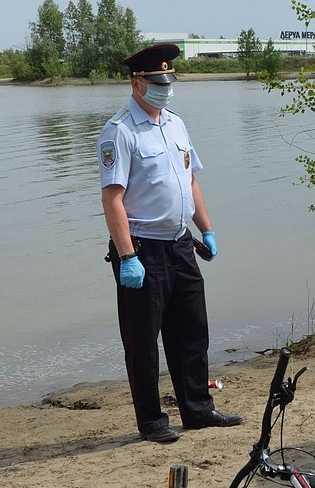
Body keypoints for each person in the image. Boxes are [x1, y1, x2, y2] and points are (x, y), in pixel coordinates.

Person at [97, 43, 242, 443]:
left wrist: (207, 229)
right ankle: (152, 421)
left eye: (169, 81)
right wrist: (127, 256)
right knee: (143, 342)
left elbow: (190, 180)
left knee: (192, 332)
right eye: (157, 82)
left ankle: (197, 409)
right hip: (142, 250)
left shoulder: (175, 124)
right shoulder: (120, 130)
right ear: (137, 83)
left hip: (181, 244)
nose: (165, 88)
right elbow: (112, 198)